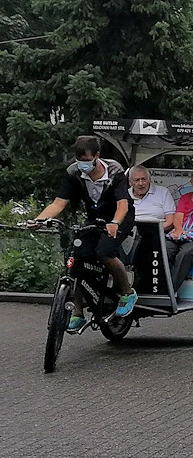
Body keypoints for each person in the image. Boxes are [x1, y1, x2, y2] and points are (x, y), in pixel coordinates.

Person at [29, 135, 138, 327]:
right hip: (95, 218)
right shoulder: (73, 172)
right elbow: (59, 203)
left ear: (97, 155)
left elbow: (122, 204)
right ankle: (78, 314)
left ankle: (127, 293)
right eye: (79, 160)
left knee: (105, 251)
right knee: (74, 257)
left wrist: (114, 223)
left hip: (120, 217)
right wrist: (39, 220)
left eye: (87, 160)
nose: (82, 164)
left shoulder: (114, 170)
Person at [128, 166, 175, 232]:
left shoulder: (163, 192)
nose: (141, 183)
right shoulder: (124, 195)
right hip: (130, 232)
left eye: (144, 179)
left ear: (149, 179)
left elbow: (171, 221)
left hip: (158, 232)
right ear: (130, 182)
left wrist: (152, 231)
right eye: (137, 180)